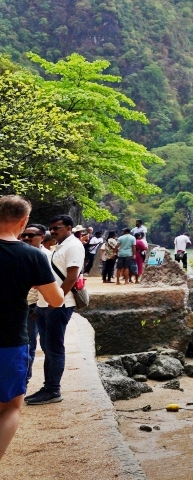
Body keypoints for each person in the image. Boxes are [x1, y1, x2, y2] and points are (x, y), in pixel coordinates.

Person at [0, 197, 63, 460]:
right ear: (24, 221)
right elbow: (56, 300)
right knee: (11, 405)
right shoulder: (32, 255)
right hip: (10, 339)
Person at [27, 213, 84, 406]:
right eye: (51, 228)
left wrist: (55, 301)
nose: (53, 231)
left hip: (59, 305)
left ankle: (53, 390)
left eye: (57, 228)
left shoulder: (74, 246)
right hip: (45, 304)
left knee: (54, 348)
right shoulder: (61, 245)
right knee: (47, 347)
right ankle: (48, 387)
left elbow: (72, 277)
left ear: (69, 228)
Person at [20, 225, 49, 382]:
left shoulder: (47, 256)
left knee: (29, 343)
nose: (26, 238)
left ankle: (25, 377)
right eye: (23, 235)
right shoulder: (19, 253)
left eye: (31, 235)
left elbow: (51, 285)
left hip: (33, 307)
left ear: (42, 237)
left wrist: (38, 306)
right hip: (17, 305)